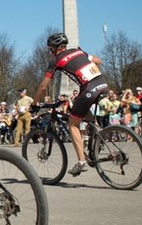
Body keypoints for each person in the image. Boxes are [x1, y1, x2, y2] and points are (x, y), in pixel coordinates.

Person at [33, 32, 108, 177]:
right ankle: (100, 135)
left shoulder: (55, 61)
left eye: (50, 49)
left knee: (72, 124)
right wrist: (82, 58)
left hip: (89, 88)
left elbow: (43, 86)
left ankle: (81, 162)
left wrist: (35, 103)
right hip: (102, 83)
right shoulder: (78, 51)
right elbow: (99, 61)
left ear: (54, 48)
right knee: (83, 113)